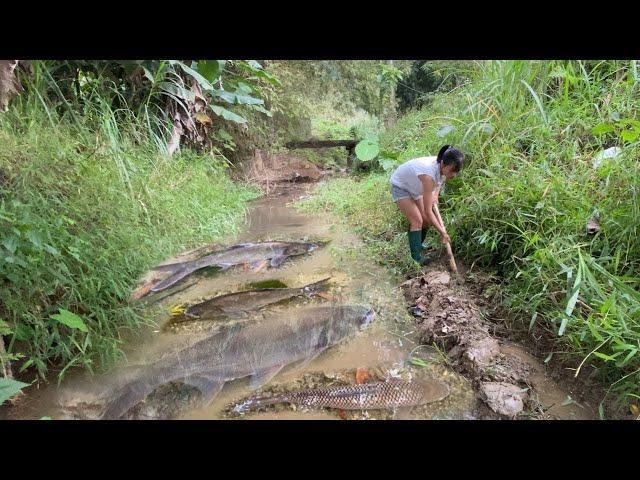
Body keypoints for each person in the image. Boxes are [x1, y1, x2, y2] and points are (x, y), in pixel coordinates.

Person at [389, 145, 465, 265]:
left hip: (416, 187)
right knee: (417, 221)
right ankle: (416, 258)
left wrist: (435, 194)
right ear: (443, 164)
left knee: (425, 220)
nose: (454, 175)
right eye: (452, 171)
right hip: (401, 186)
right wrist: (442, 232)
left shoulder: (442, 165)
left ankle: (418, 245)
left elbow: (440, 180)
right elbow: (429, 211)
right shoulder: (428, 175)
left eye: (457, 171)